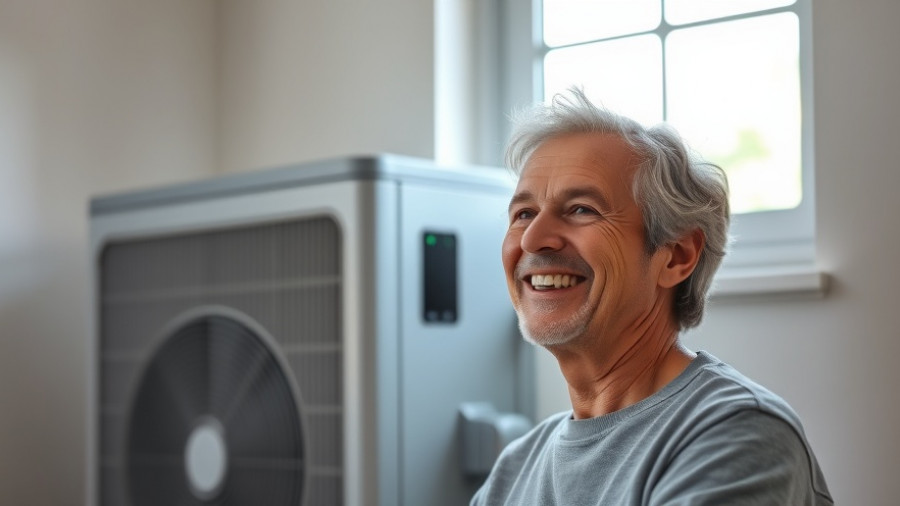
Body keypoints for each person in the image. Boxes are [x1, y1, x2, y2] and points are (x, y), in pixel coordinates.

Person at [471, 88, 833, 505]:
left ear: (677, 256)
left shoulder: (735, 431)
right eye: (524, 214)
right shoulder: (514, 471)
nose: (534, 238)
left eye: (582, 209)